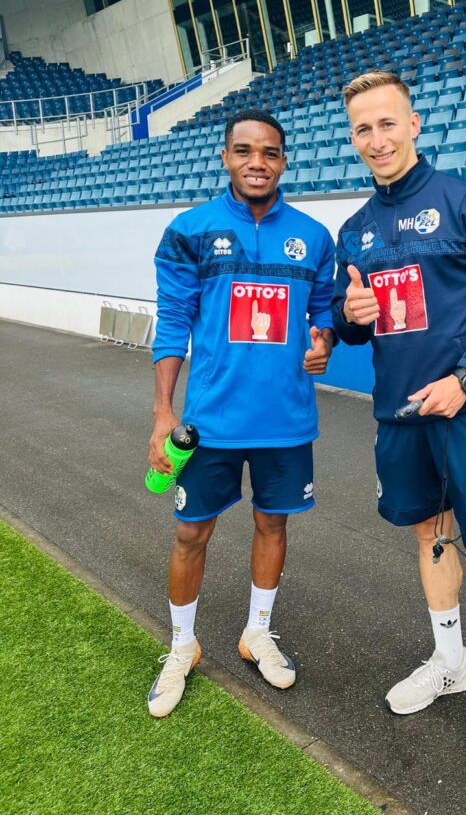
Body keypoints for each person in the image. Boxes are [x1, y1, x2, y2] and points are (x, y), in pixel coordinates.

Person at [331, 72, 466, 793]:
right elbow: (356, 331)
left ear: (413, 124)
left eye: (387, 123)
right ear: (353, 138)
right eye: (363, 129)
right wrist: (350, 317)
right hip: (398, 416)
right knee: (429, 536)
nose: (376, 139)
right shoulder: (353, 230)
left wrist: (465, 379)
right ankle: (451, 663)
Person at [147, 109, 335, 718]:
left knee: (273, 525)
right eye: (245, 151)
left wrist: (324, 341)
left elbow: (325, 310)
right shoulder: (189, 230)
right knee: (190, 533)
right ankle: (182, 645)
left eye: (270, 152)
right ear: (226, 156)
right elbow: (172, 324)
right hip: (210, 423)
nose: (258, 162)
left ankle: (257, 633)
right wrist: (162, 413)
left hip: (285, 422)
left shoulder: (313, 237)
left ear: (284, 161)